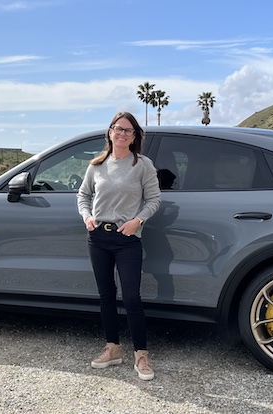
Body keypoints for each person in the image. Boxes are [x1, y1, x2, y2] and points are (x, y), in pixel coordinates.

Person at [76, 111, 161, 381]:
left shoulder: (142, 165)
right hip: (98, 238)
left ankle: (141, 354)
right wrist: (87, 216)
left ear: (134, 136)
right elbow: (83, 195)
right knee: (106, 295)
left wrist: (138, 221)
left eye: (128, 130)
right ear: (110, 132)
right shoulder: (96, 165)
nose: (122, 133)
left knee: (132, 297)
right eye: (118, 128)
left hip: (127, 240)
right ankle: (112, 347)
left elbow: (154, 199)